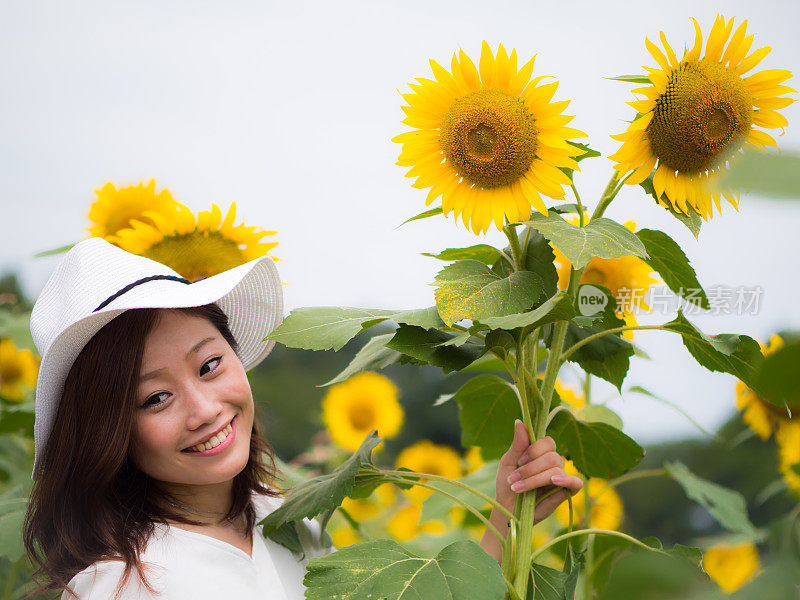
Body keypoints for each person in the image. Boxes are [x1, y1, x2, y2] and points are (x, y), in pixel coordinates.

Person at [22, 238, 582, 600]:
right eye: (155, 399)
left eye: (210, 365)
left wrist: (506, 517)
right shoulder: (121, 586)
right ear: (106, 435)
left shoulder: (284, 521)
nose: (205, 409)